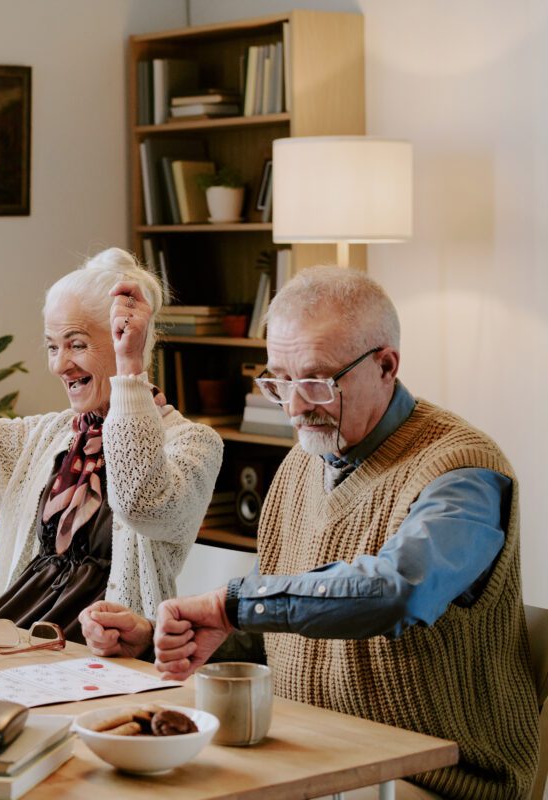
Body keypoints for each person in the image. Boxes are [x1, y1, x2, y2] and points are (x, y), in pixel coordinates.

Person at [80, 266, 539, 800]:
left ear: (386, 365)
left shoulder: (463, 472)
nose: (295, 407)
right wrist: (181, 635)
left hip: (435, 777)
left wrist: (231, 607)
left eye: (318, 382)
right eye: (279, 381)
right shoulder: (303, 463)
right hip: (313, 755)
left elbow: (397, 591)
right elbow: (288, 616)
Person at [0, 249, 222, 643]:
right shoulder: (46, 438)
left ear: (128, 342)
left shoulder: (193, 444)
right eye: (53, 346)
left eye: (77, 344)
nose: (59, 365)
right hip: (11, 642)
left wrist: (130, 372)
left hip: (108, 656)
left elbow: (140, 502)